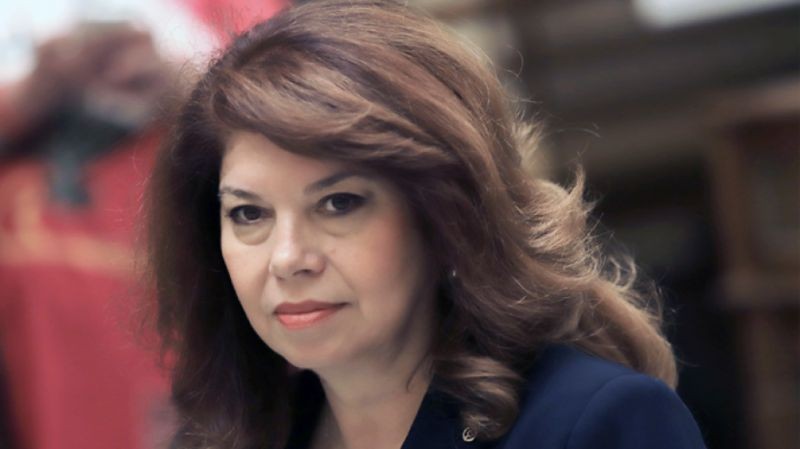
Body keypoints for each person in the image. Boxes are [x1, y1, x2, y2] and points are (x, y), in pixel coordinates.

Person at [145, 1, 707, 448]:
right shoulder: (222, 439)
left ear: (444, 217)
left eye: (339, 204)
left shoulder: (595, 421)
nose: (288, 258)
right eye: (249, 214)